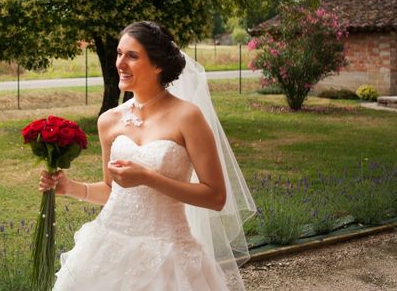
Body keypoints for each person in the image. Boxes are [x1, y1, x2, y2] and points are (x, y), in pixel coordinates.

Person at [40, 21, 255, 291]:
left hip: (168, 257)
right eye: (119, 53)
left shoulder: (187, 117)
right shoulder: (108, 120)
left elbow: (215, 197)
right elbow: (111, 190)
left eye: (132, 56)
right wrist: (71, 188)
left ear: (157, 65)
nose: (120, 63)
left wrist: (148, 178)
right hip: (108, 249)